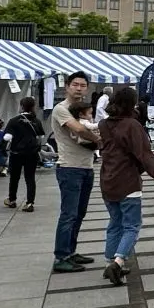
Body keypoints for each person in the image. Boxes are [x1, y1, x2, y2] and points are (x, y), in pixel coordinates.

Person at [97, 85, 154, 285]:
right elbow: (144, 154)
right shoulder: (132, 125)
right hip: (128, 181)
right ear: (132, 103)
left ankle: (111, 259)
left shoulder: (103, 124)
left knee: (115, 222)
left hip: (107, 180)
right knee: (132, 225)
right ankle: (118, 262)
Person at [50, 72, 100, 273]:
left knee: (79, 213)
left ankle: (70, 251)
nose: (79, 88)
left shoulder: (83, 109)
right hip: (69, 167)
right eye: (75, 85)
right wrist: (100, 140)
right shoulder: (61, 109)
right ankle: (61, 256)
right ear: (67, 87)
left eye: (82, 85)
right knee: (69, 214)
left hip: (86, 166)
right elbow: (78, 129)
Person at [3, 95, 42, 211]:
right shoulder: (36, 121)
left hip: (16, 153)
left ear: (21, 106)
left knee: (14, 177)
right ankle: (30, 203)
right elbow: (40, 136)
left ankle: (12, 200)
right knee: (30, 178)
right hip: (32, 153)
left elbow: (7, 137)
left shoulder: (14, 121)